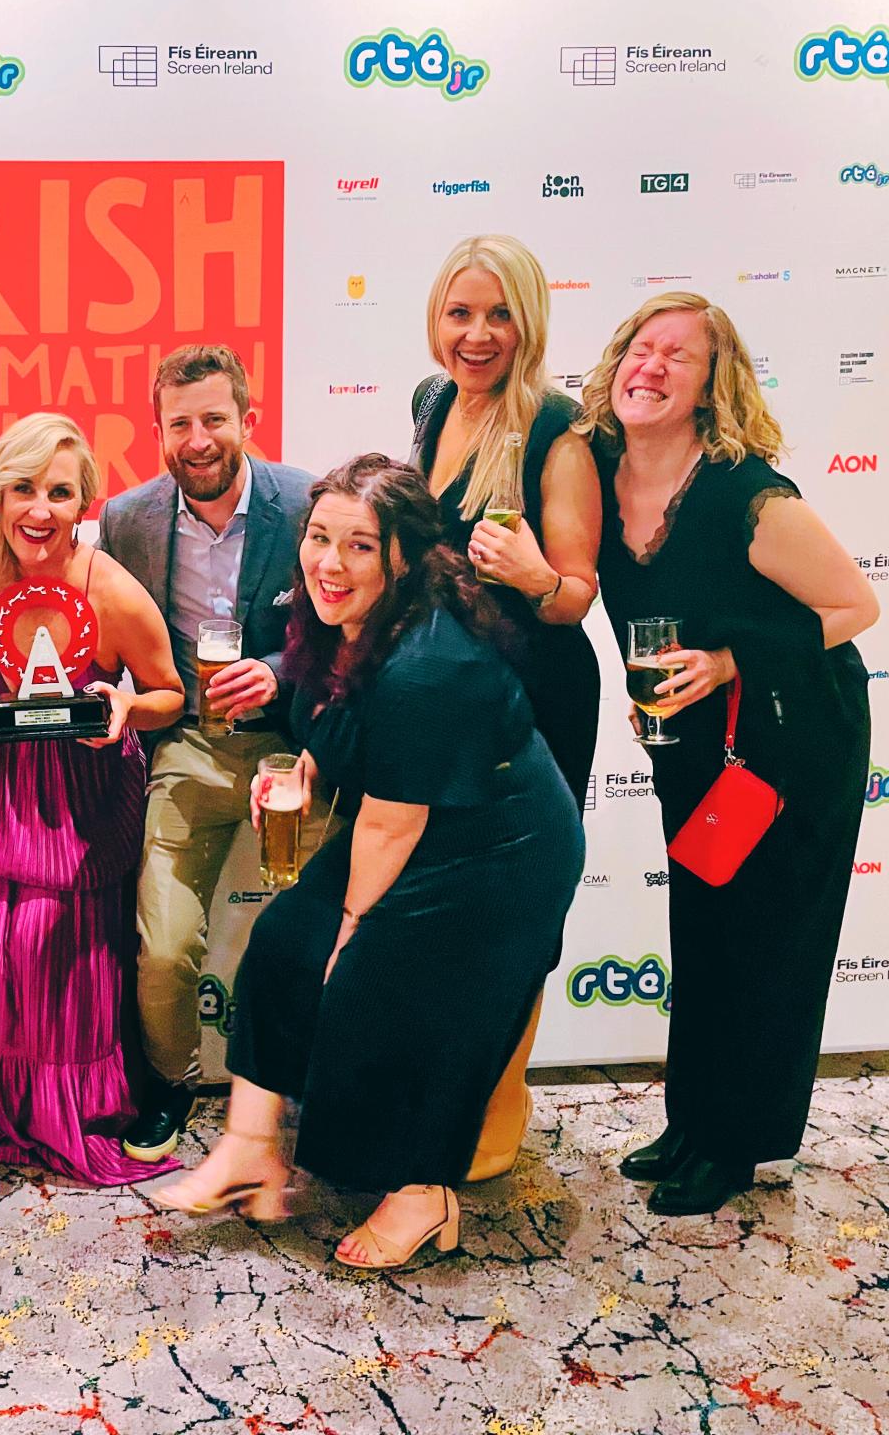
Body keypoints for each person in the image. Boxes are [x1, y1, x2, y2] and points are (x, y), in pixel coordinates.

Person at [151, 455, 584, 1269]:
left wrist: (352, 937)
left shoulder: (430, 662)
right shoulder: (337, 619)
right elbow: (343, 714)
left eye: (358, 546)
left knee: (379, 990)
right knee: (282, 943)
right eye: (320, 538)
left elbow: (387, 828)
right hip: (421, 814)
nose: (328, 563)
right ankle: (251, 1149)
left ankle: (424, 1196)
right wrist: (314, 766)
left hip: (499, 849)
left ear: (402, 557)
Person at [575, 292, 878, 1215]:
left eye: (680, 356)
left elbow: (855, 609)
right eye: (641, 347)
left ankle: (738, 1144)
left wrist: (728, 659)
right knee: (703, 931)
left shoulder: (749, 494)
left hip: (794, 740)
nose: (651, 367)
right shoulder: (594, 468)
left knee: (767, 941)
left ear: (713, 385)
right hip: (694, 740)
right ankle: (692, 1120)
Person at [0, 414, 184, 1184]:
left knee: (57, 956)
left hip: (83, 802)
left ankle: (75, 1107)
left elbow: (170, 692)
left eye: (61, 493)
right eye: (24, 488)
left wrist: (129, 708)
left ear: (84, 505)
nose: (40, 509)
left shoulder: (112, 591)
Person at [408, 234, 603, 1181]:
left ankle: (504, 1091)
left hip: (536, 700)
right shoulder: (433, 401)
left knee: (518, 903)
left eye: (497, 314)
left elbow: (578, 593)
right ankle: (454, 1074)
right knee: (450, 896)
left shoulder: (556, 431)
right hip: (452, 696)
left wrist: (537, 576)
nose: (477, 334)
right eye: (460, 313)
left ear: (528, 321)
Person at [95, 345, 320, 1164]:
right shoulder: (127, 520)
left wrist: (280, 671)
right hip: (188, 743)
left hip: (298, 749)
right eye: (180, 423)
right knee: (162, 941)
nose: (198, 439)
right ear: (158, 430)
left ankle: (320, 1081)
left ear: (247, 422)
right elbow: (115, 641)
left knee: (336, 922)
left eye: (214, 420)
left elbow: (353, 622)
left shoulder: (305, 502)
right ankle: (171, 1083)